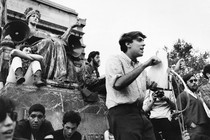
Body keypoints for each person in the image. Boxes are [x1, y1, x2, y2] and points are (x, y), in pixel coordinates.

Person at [105, 31, 161, 140]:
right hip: (122, 114)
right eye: (139, 40)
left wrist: (163, 69)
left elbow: (152, 84)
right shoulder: (115, 59)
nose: (143, 44)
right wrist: (145, 65)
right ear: (128, 44)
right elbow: (118, 83)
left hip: (141, 113)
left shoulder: (139, 66)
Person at [22, 7, 81, 83]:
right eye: (33, 16)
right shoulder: (25, 30)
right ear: (28, 18)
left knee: (58, 43)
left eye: (37, 17)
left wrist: (71, 27)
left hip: (47, 52)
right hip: (34, 51)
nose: (36, 18)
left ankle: (60, 75)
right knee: (49, 42)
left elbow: (61, 38)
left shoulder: (42, 33)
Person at [176, 72, 210, 140]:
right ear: (185, 83)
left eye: (195, 80)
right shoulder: (182, 96)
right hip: (194, 131)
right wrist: (191, 124)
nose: (194, 82)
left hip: (206, 129)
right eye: (191, 81)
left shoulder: (198, 96)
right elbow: (179, 114)